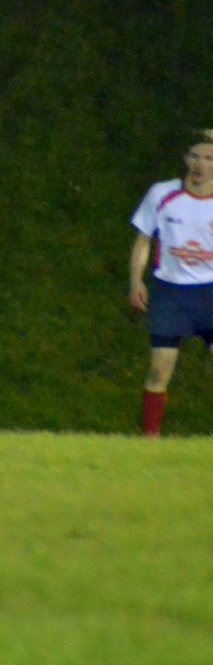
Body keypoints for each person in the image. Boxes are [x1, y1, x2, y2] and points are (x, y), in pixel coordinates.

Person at [129, 130, 213, 436]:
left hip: (210, 292)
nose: (200, 164)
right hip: (171, 293)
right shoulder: (162, 194)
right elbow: (143, 239)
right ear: (185, 159)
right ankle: (149, 440)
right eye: (195, 156)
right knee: (158, 370)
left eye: (209, 158)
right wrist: (136, 280)